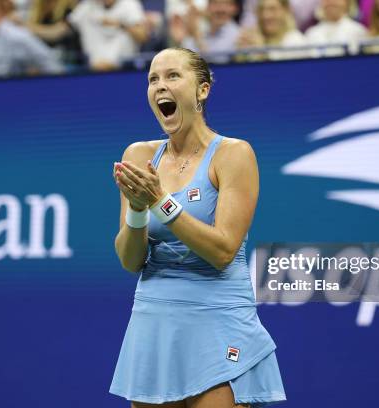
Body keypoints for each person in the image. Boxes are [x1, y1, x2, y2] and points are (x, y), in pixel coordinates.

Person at [109, 47, 286, 408]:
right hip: (153, 324)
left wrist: (161, 201)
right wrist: (138, 211)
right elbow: (130, 260)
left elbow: (222, 251)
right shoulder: (139, 156)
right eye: (153, 79)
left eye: (173, 76)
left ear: (202, 90)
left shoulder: (234, 154)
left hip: (219, 321)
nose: (161, 86)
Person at [67, 0, 148, 71]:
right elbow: (65, 26)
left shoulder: (130, 4)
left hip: (123, 66)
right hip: (93, 65)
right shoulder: (87, 6)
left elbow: (143, 36)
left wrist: (120, 25)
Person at [171, 0, 241, 63]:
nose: (221, 9)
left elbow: (216, 62)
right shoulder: (204, 32)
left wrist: (196, 36)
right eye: (215, 3)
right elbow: (187, 56)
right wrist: (180, 41)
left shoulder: (238, 35)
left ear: (235, 8)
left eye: (226, 4)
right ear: (207, 7)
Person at [237, 0, 308, 60]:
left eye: (273, 9)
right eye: (261, 9)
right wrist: (241, 55)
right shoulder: (252, 40)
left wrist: (262, 54)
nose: (266, 15)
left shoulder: (295, 40)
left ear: (286, 10)